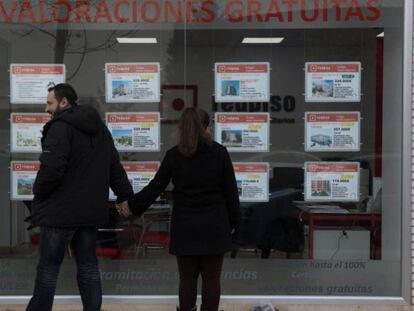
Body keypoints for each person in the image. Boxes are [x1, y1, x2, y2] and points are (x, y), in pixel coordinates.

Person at [117, 107, 241, 311]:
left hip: (185, 226)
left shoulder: (174, 155)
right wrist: (235, 223)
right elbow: (231, 193)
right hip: (215, 226)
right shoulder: (220, 153)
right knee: (212, 280)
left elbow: (155, 187)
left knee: (187, 280)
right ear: (207, 128)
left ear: (182, 129)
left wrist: (131, 206)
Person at [26, 83, 133, 311]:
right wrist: (125, 195)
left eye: (49, 103)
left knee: (48, 269)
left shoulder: (59, 127)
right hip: (89, 213)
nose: (47, 109)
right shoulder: (101, 130)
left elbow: (51, 170)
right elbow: (114, 167)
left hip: (59, 214)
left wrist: (38, 192)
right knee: (88, 267)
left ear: (64, 102)